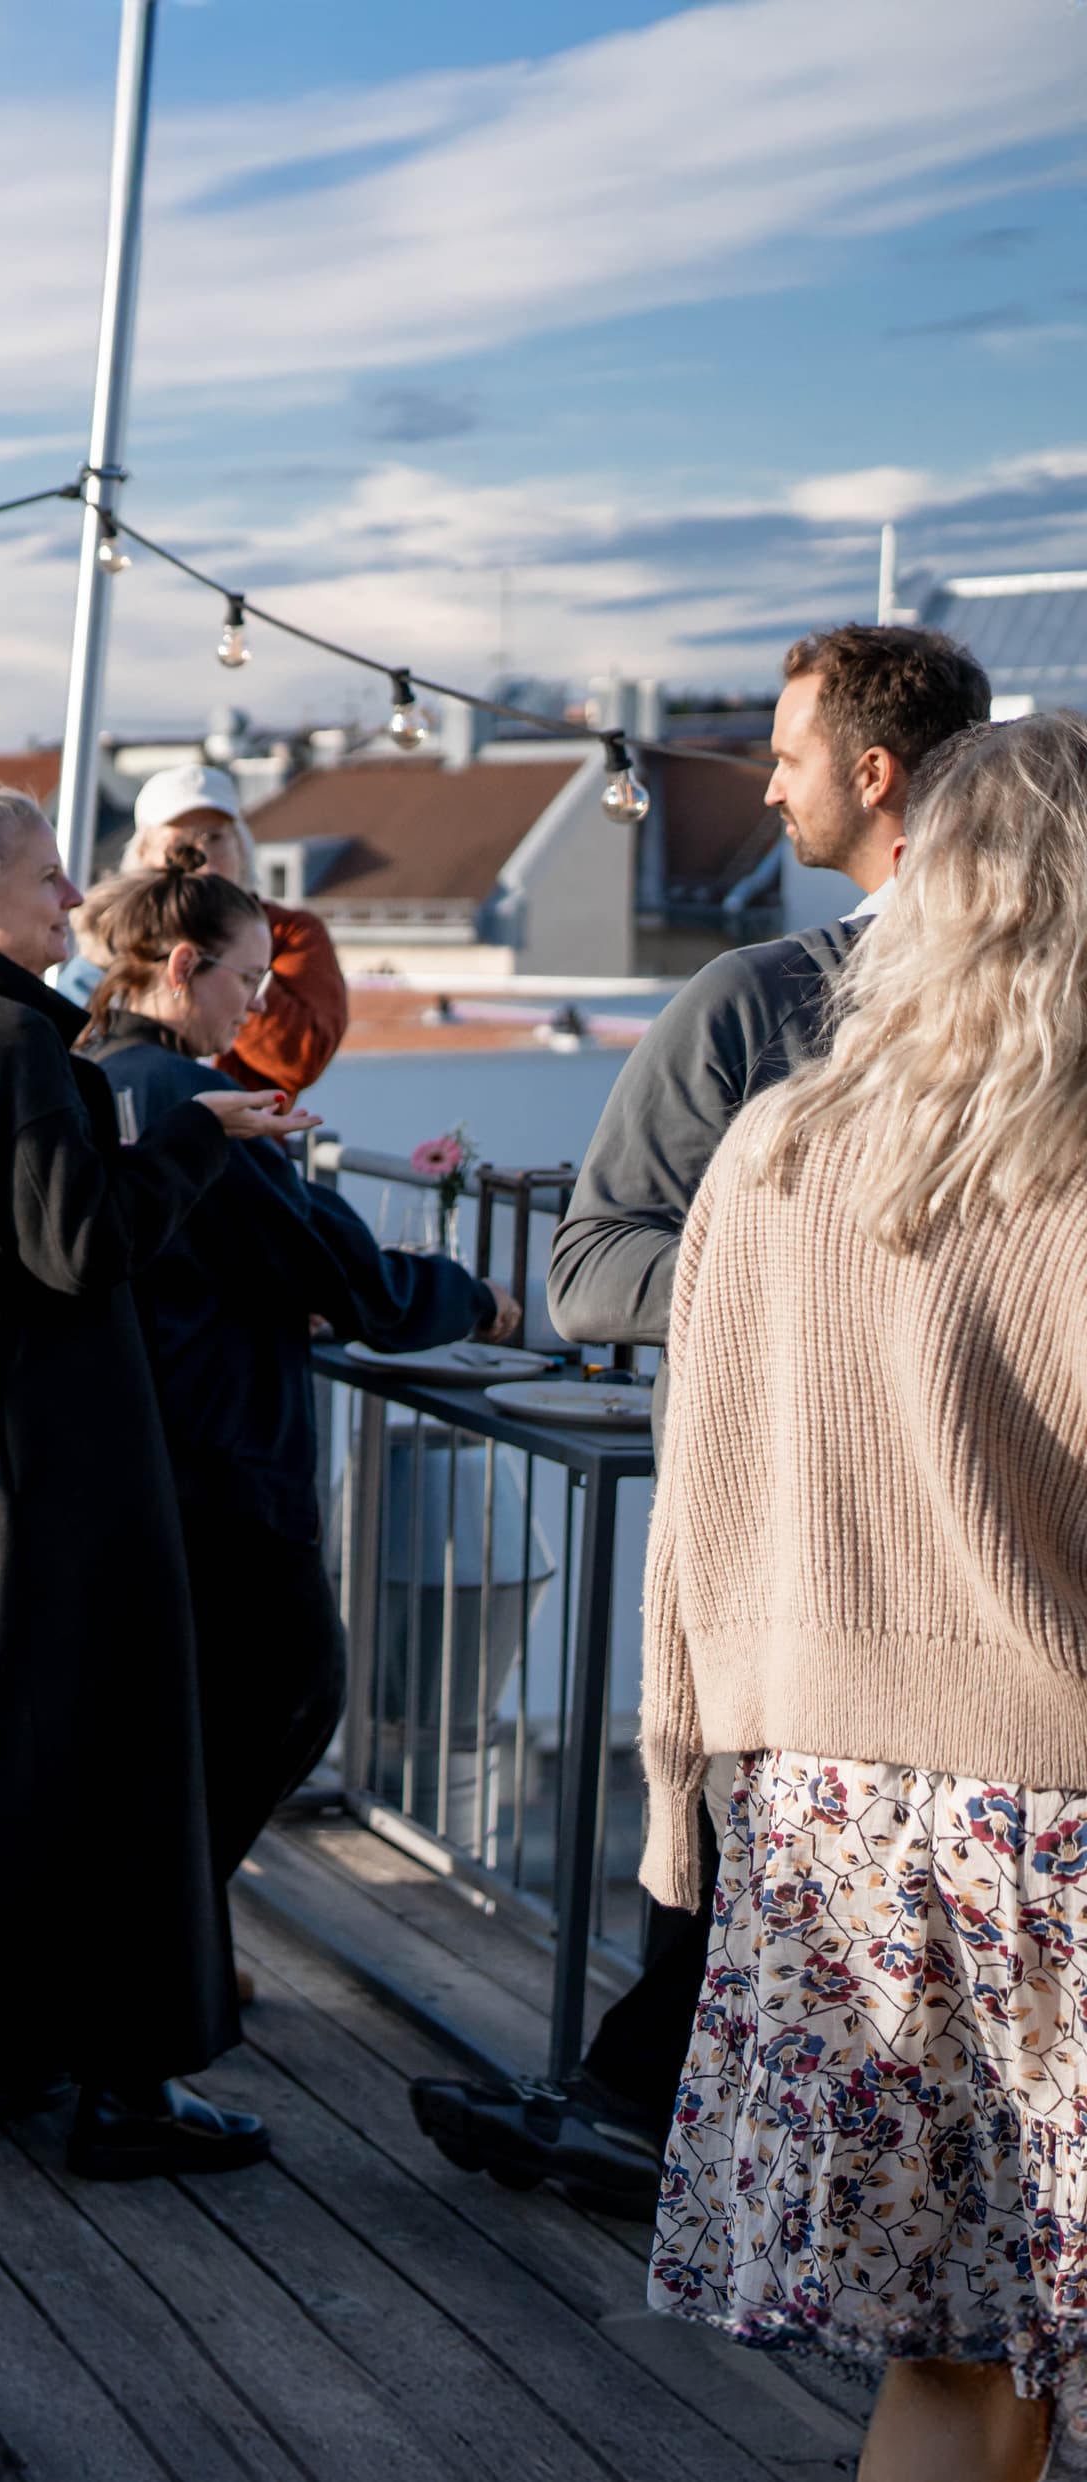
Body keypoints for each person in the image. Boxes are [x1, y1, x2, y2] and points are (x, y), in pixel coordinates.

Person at [416, 622, 993, 2208]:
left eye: (789, 754)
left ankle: (667, 2124)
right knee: (745, 1849)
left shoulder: (1039, 1023)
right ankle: (655, 2119)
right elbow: (592, 1268)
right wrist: (818, 1277)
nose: (769, 786)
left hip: (976, 1578)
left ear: (873, 774)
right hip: (783, 1544)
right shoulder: (759, 1001)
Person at [635, 710, 1087, 2482]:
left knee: (947, 2341)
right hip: (1054, 1810)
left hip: (827, 1814)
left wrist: (685, 1788)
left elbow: (704, 1495)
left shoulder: (775, 1149)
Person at [0, 756, 317, 2179]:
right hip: (47, 1468)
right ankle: (128, 2090)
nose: (74, 897)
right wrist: (187, 1141)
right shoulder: (15, 1049)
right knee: (105, 1765)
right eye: (48, 880)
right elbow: (76, 1243)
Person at [75, 840, 509, 1916]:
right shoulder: (199, 1101)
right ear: (181, 967)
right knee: (290, 1694)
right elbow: (354, 1280)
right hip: (225, 1464)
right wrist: (484, 1303)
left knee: (161, 1731)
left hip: (121, 1461)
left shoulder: (90, 1074)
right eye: (245, 980)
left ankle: (145, 1966)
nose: (260, 1005)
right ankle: (155, 1962)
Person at [54, 764, 349, 1096]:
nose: (201, 858)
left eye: (215, 837)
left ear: (242, 846)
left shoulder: (288, 933)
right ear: (142, 855)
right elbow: (66, 1047)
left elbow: (300, 1059)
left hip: (241, 1138)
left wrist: (238, 962)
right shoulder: (109, 944)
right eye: (179, 844)